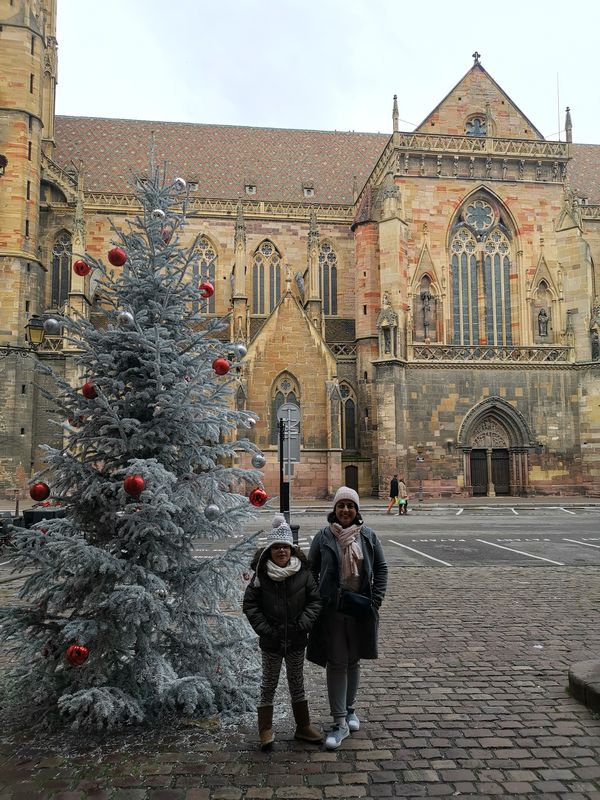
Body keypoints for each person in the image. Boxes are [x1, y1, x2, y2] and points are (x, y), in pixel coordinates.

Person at [307, 487, 388, 750]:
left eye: (350, 506)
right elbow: (311, 571)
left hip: (360, 607)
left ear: (357, 510)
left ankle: (350, 710)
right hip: (333, 610)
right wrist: (317, 599)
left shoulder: (368, 536)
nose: (345, 510)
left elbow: (381, 568)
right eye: (341, 505)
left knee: (353, 661)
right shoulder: (323, 536)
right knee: (337, 662)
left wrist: (375, 601)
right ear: (334, 509)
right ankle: (340, 721)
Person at [243, 514, 322, 751]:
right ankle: (265, 729)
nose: (281, 551)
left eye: (285, 547)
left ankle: (303, 726)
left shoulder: (303, 573)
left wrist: (303, 624)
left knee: (297, 682)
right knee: (269, 683)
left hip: (297, 638)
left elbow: (315, 601)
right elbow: (250, 605)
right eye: (276, 547)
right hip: (272, 640)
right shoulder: (261, 575)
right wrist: (266, 630)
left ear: (292, 549)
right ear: (269, 550)